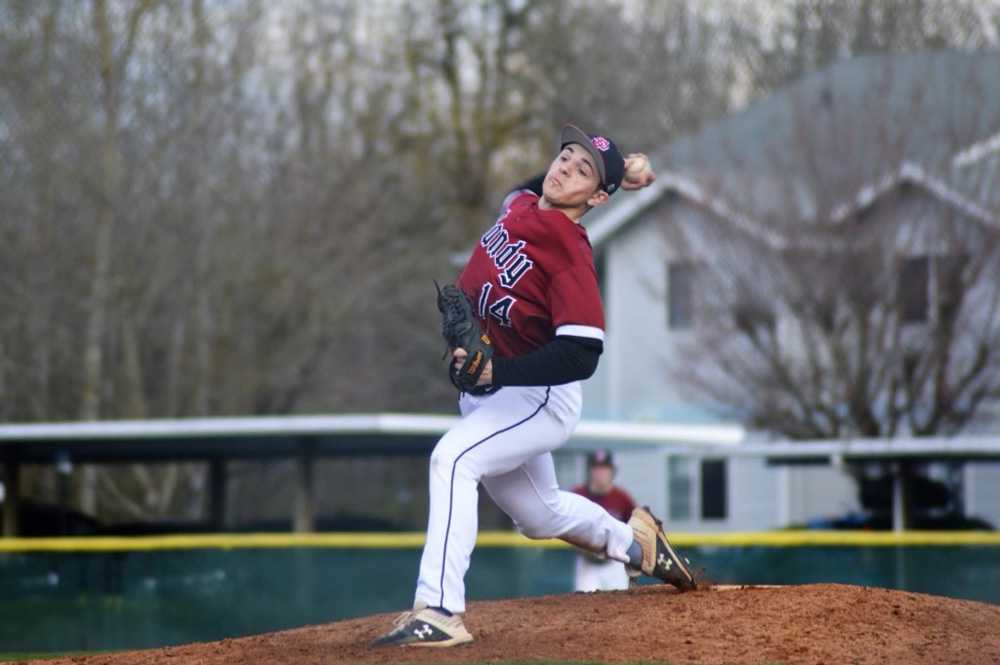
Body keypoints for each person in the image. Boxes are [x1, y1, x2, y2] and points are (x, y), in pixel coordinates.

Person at [373, 125, 696, 649]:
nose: (565, 167)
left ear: (596, 198)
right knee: (539, 514)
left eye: (583, 169)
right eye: (565, 156)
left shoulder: (570, 254)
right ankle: (638, 546)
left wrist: (498, 373)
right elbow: (542, 183)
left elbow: (583, 351)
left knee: (453, 460)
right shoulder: (521, 203)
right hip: (491, 390)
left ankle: (439, 610)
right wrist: (617, 173)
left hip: (537, 395)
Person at [571, 450, 636, 592]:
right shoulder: (578, 495)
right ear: (590, 471)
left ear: (612, 472)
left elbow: (634, 528)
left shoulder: (621, 498)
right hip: (587, 564)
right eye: (596, 468)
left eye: (604, 469)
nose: (600, 473)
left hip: (615, 563)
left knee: (619, 607)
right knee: (585, 607)